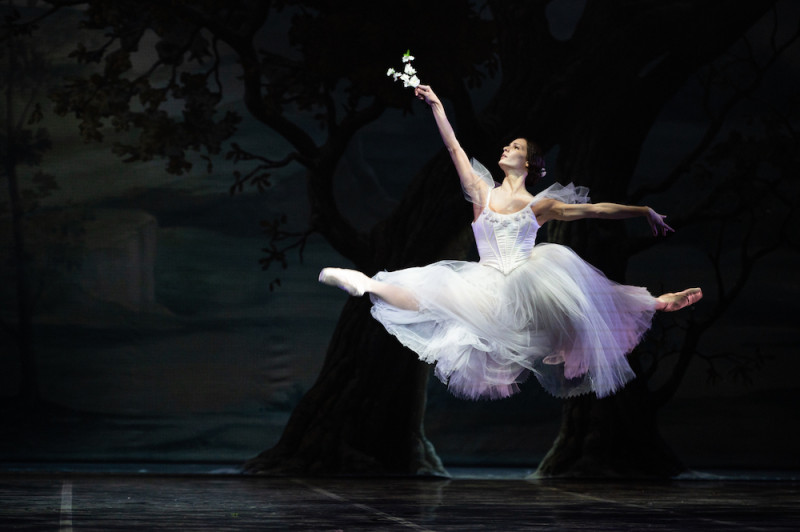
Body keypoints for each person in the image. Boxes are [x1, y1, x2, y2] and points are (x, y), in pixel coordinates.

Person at [319, 84, 702, 400]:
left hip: (525, 285)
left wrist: (642, 211)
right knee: (429, 287)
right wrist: (437, 105)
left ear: (529, 164)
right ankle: (367, 283)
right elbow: (454, 149)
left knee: (582, 300)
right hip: (485, 283)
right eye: (508, 146)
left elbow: (598, 210)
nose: (506, 148)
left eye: (515, 147)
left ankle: (657, 301)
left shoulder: (539, 205)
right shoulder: (480, 192)